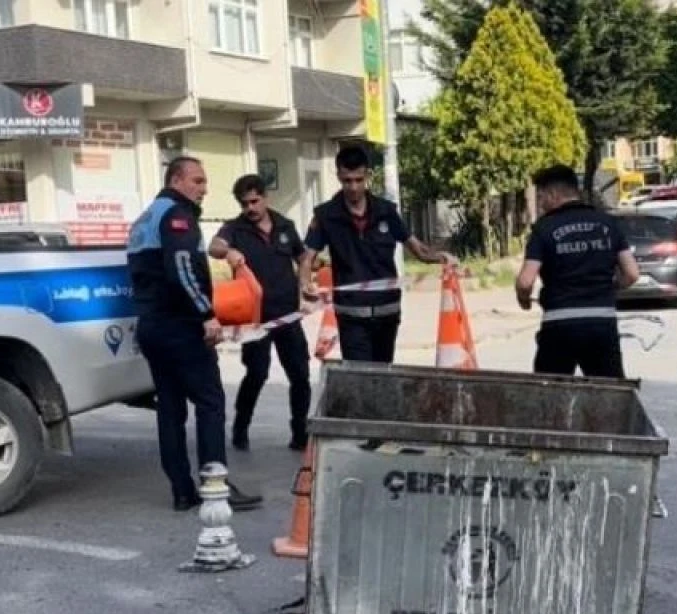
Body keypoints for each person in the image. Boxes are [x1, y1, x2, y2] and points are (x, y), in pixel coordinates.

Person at [126, 156, 263, 512]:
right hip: (180, 326)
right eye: (198, 181)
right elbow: (183, 269)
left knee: (170, 409)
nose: (204, 189)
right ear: (177, 179)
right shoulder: (177, 216)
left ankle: (182, 491)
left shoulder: (144, 219)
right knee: (209, 403)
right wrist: (206, 314)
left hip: (152, 326)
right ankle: (215, 485)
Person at [297, 145, 454, 363]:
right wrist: (305, 284)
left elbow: (418, 249)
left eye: (358, 180)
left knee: (382, 375)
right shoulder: (326, 215)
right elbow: (307, 257)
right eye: (347, 180)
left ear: (368, 176)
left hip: (387, 311)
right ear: (339, 176)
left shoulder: (386, 211)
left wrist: (442, 257)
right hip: (351, 314)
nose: (353, 187)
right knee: (360, 379)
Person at [208, 174, 312, 452]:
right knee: (257, 373)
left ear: (266, 197)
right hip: (254, 320)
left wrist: (305, 283)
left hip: (287, 315)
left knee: (300, 375)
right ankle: (241, 427)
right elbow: (213, 246)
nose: (250, 208)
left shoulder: (285, 226)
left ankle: (300, 432)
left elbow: (302, 257)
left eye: (254, 201)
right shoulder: (235, 229)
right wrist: (228, 251)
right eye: (244, 204)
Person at [515, 163, 640, 379]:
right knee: (608, 394)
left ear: (554, 194)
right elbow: (632, 273)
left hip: (559, 324)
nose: (541, 203)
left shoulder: (544, 228)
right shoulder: (607, 223)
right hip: (601, 323)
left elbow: (526, 281)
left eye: (542, 196)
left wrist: (523, 299)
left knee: (551, 395)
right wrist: (609, 288)